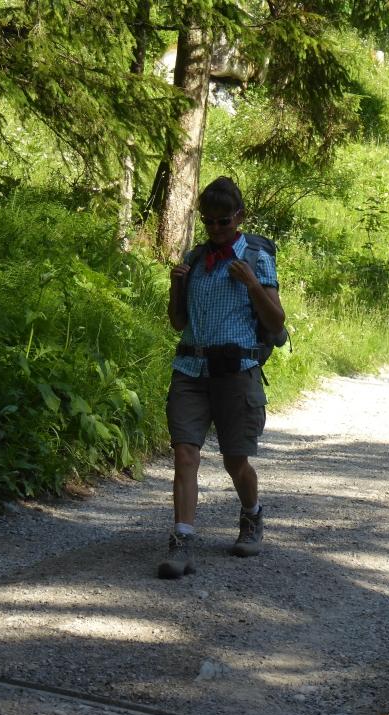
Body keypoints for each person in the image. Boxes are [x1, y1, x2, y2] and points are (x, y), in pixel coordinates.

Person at [158, 176, 286, 579]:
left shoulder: (256, 258)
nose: (215, 228)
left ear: (239, 216)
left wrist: (252, 283)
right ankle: (181, 541)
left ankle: (252, 514)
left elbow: (276, 321)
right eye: (208, 221)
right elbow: (179, 323)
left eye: (223, 221)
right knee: (185, 454)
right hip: (190, 370)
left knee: (235, 461)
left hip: (236, 373)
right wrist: (176, 286)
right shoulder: (196, 259)